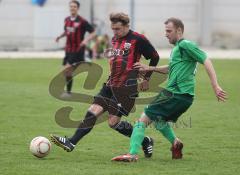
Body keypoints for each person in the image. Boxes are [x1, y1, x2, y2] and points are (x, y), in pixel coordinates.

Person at [111, 17, 227, 162]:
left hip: (176, 93)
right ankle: (175, 142)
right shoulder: (178, 49)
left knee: (142, 119)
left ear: (179, 30)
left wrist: (215, 86)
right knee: (159, 121)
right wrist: (150, 68)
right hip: (184, 97)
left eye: (169, 31)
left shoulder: (185, 45)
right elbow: (171, 68)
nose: (166, 34)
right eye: (165, 31)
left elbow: (206, 59)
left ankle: (132, 154)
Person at [50, 12, 160, 158]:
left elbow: (155, 57)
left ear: (127, 26)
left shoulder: (138, 39)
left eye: (118, 29)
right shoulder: (114, 39)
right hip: (109, 84)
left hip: (126, 88)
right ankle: (71, 142)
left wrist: (146, 78)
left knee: (113, 122)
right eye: (113, 29)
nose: (115, 32)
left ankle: (145, 140)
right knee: (92, 111)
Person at [55, 0, 96, 97]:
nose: (72, 8)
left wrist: (86, 40)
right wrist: (60, 36)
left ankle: (68, 93)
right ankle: (68, 91)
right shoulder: (67, 20)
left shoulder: (82, 21)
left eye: (74, 6)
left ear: (78, 8)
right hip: (68, 49)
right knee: (67, 71)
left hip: (77, 49)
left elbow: (93, 32)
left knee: (67, 69)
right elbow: (67, 31)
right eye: (71, 6)